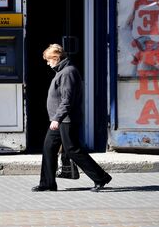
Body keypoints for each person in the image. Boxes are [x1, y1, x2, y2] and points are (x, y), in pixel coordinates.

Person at [32, 44, 112, 192]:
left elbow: (67, 100)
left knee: (73, 150)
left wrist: (57, 118)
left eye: (49, 60)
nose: (47, 63)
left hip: (66, 119)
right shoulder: (62, 71)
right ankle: (47, 183)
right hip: (60, 119)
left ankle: (101, 177)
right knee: (49, 148)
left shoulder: (68, 72)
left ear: (56, 58)